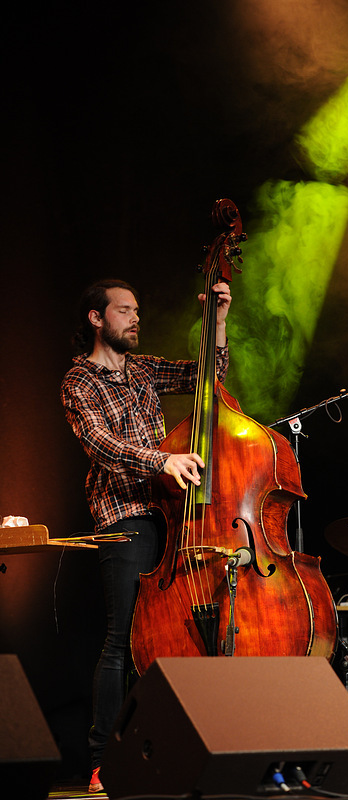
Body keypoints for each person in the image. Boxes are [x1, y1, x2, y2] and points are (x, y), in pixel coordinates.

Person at [60, 277, 231, 793]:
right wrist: (163, 458)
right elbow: (102, 445)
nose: (136, 318)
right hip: (125, 518)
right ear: (96, 318)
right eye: (125, 310)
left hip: (169, 514)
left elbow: (208, 376)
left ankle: (176, 748)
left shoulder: (142, 370)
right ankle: (102, 760)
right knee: (121, 639)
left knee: (173, 637)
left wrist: (217, 321)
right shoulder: (79, 382)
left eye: (138, 310)